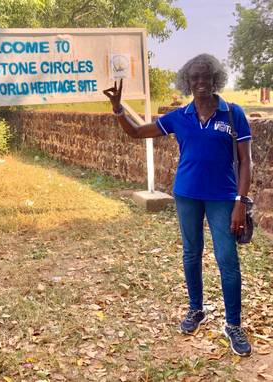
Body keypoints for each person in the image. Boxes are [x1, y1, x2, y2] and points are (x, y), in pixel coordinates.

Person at [103, 54, 252, 356]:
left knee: (227, 259)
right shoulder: (179, 116)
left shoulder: (233, 114)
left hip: (224, 197)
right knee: (191, 252)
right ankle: (196, 309)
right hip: (186, 195)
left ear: (215, 79)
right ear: (187, 81)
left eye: (206, 76)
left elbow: (247, 161)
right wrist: (118, 109)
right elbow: (136, 132)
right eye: (194, 77)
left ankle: (233, 324)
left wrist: (241, 200)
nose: (200, 82)